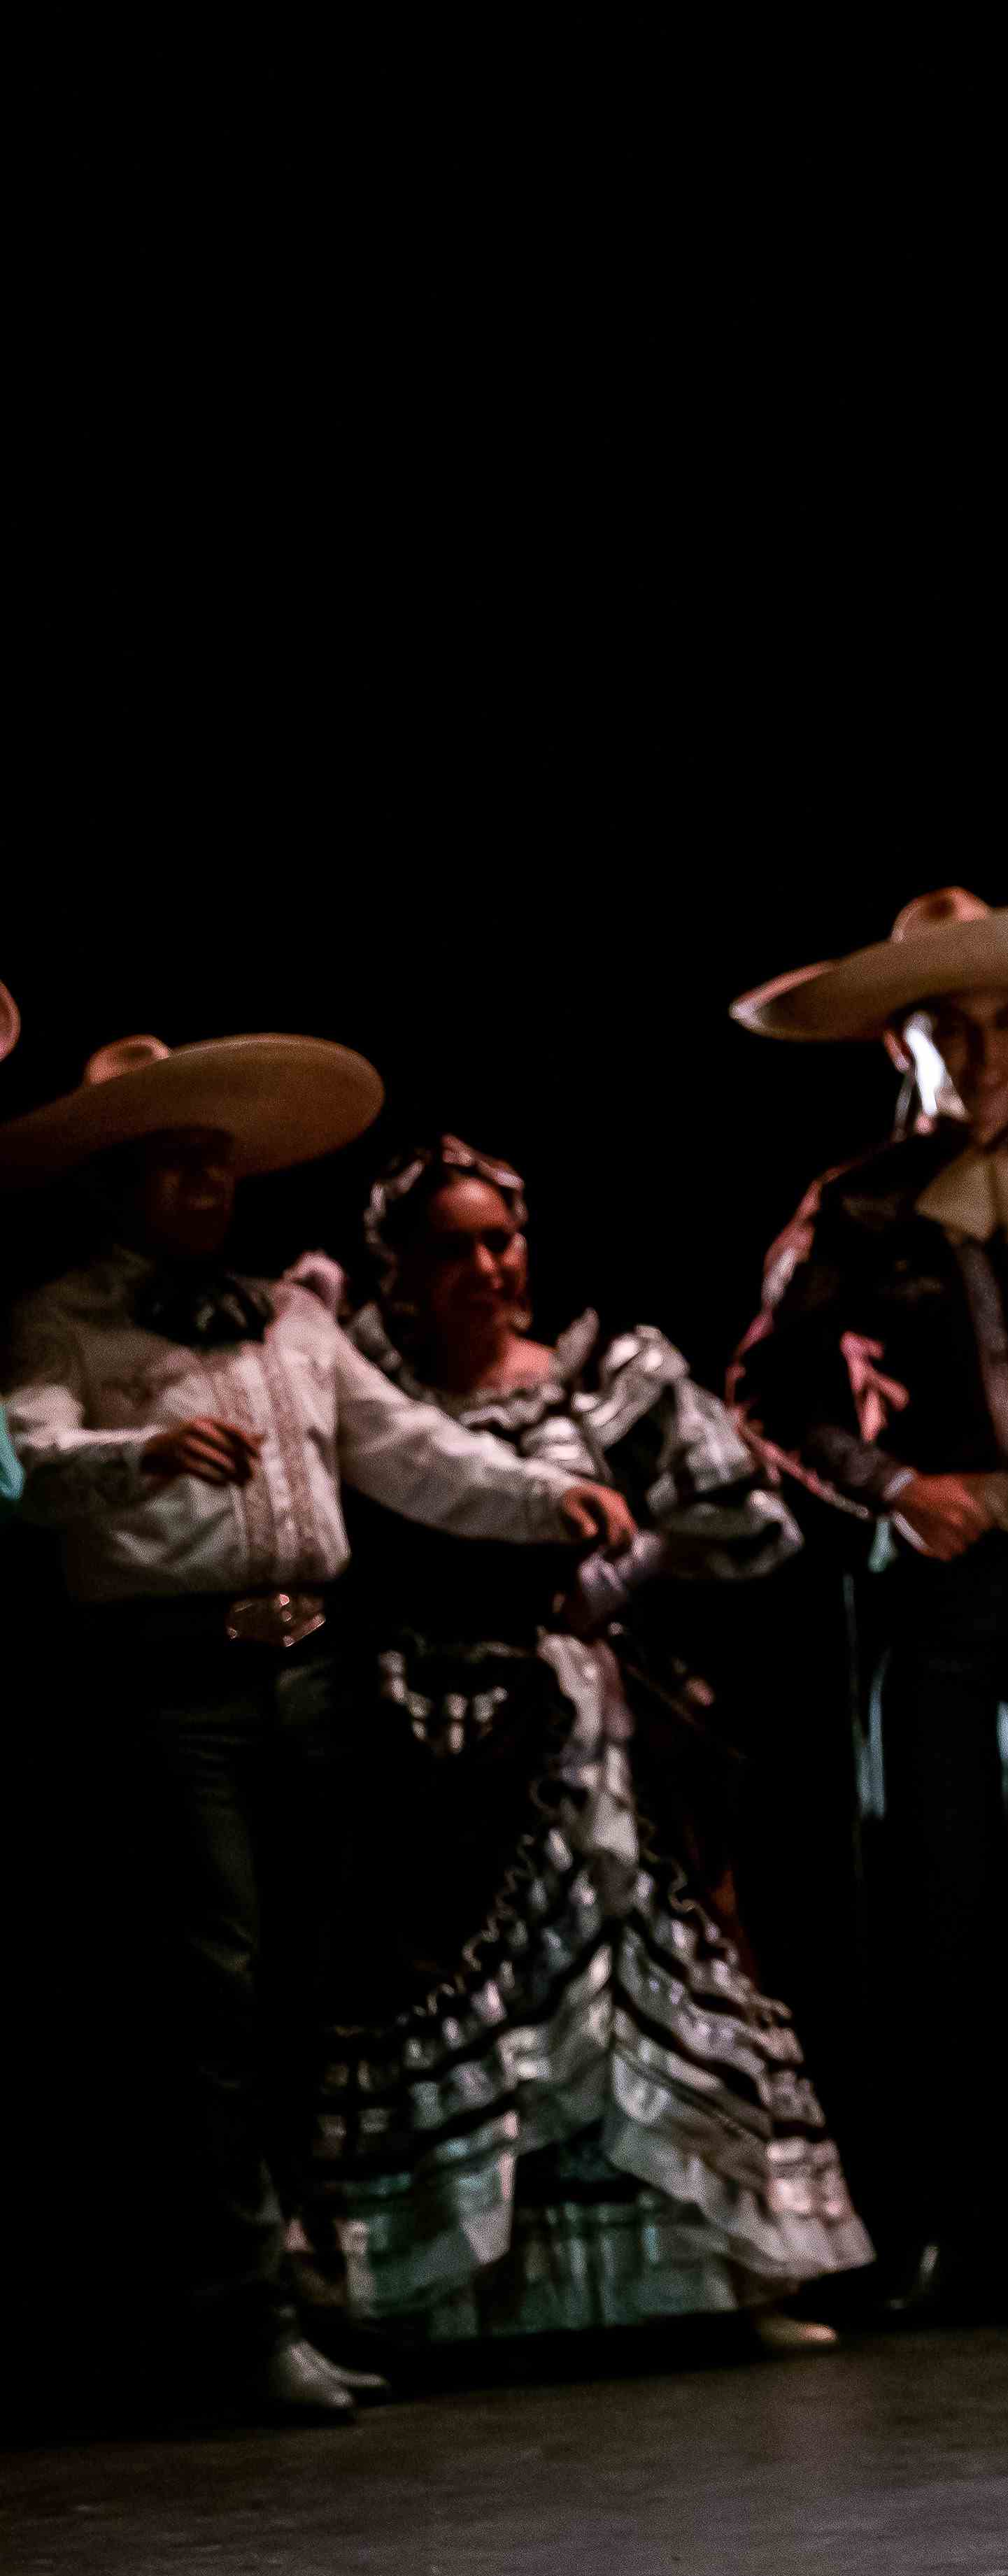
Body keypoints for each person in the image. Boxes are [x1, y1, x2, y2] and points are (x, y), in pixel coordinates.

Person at [3, 1035, 634, 2425]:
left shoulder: (288, 1319)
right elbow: (22, 1461)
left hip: (308, 1674)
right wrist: (138, 1453)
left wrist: (548, 1498)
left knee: (296, 1988)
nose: (205, 1180)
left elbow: (412, 1448)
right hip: (176, 1682)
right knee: (211, 1997)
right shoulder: (66, 1319)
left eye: (218, 1156)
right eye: (174, 1156)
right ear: (114, 1178)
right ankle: (228, 2315)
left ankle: (275, 2284)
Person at [299, 1138, 872, 2354]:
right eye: (449, 1246)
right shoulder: (363, 1383)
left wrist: (626, 1567)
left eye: (500, 1239)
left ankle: (723, 2272)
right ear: (395, 1268)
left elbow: (751, 1522)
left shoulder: (611, 1376)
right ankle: (451, 2292)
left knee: (642, 1980)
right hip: (423, 1733)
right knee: (461, 2000)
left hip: (587, 1731)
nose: (485, 1266)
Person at [727, 888, 1008, 2317]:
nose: (982, 1055)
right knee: (944, 1897)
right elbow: (767, 1389)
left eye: (1003, 1026)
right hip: (943, 1580)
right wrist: (892, 1486)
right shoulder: (856, 1201)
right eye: (948, 1028)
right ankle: (953, 2217)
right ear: (899, 1046)